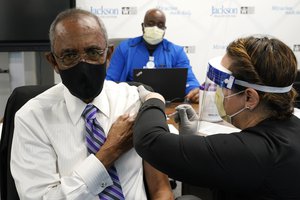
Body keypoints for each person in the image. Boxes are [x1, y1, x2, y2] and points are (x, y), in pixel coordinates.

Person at [10, 8, 173, 200]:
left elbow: (161, 190)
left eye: (93, 52)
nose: (83, 64)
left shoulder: (133, 101)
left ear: (109, 54)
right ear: (53, 61)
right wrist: (109, 152)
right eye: (70, 55)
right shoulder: (32, 119)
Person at [132, 35, 300, 199]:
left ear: (250, 97)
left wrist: (153, 99)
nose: (218, 91)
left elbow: (150, 142)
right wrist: (193, 140)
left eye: (223, 84)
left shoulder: (255, 150)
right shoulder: (291, 126)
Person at [106, 8, 200, 103]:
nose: (155, 28)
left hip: (167, 104)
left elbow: (189, 80)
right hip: (130, 103)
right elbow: (110, 80)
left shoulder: (176, 52)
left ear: (164, 30)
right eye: (150, 24)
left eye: (160, 25)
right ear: (143, 26)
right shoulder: (125, 48)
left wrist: (194, 91)